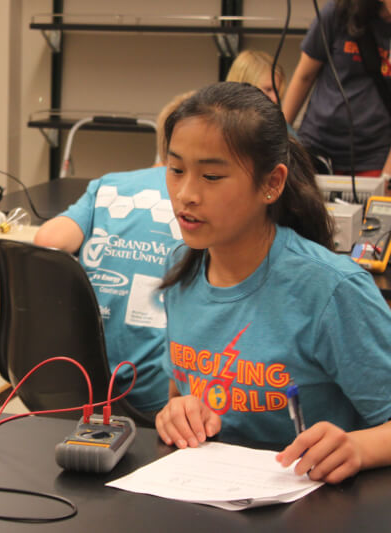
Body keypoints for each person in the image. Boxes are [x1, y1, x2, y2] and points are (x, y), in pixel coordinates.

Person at [157, 81, 391, 484]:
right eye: (176, 170)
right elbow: (181, 392)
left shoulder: (331, 289)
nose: (185, 194)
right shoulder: (182, 268)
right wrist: (178, 413)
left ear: (271, 183)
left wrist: (357, 448)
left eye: (211, 176)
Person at [32, 93, 190, 416]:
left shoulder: (108, 186)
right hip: (160, 395)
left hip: (82, 382)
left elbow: (47, 240)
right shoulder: (205, 205)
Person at [282, 0, 391, 178]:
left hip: (374, 156)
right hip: (315, 146)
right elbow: (304, 76)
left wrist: (387, 177)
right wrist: (279, 138)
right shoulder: (339, 12)